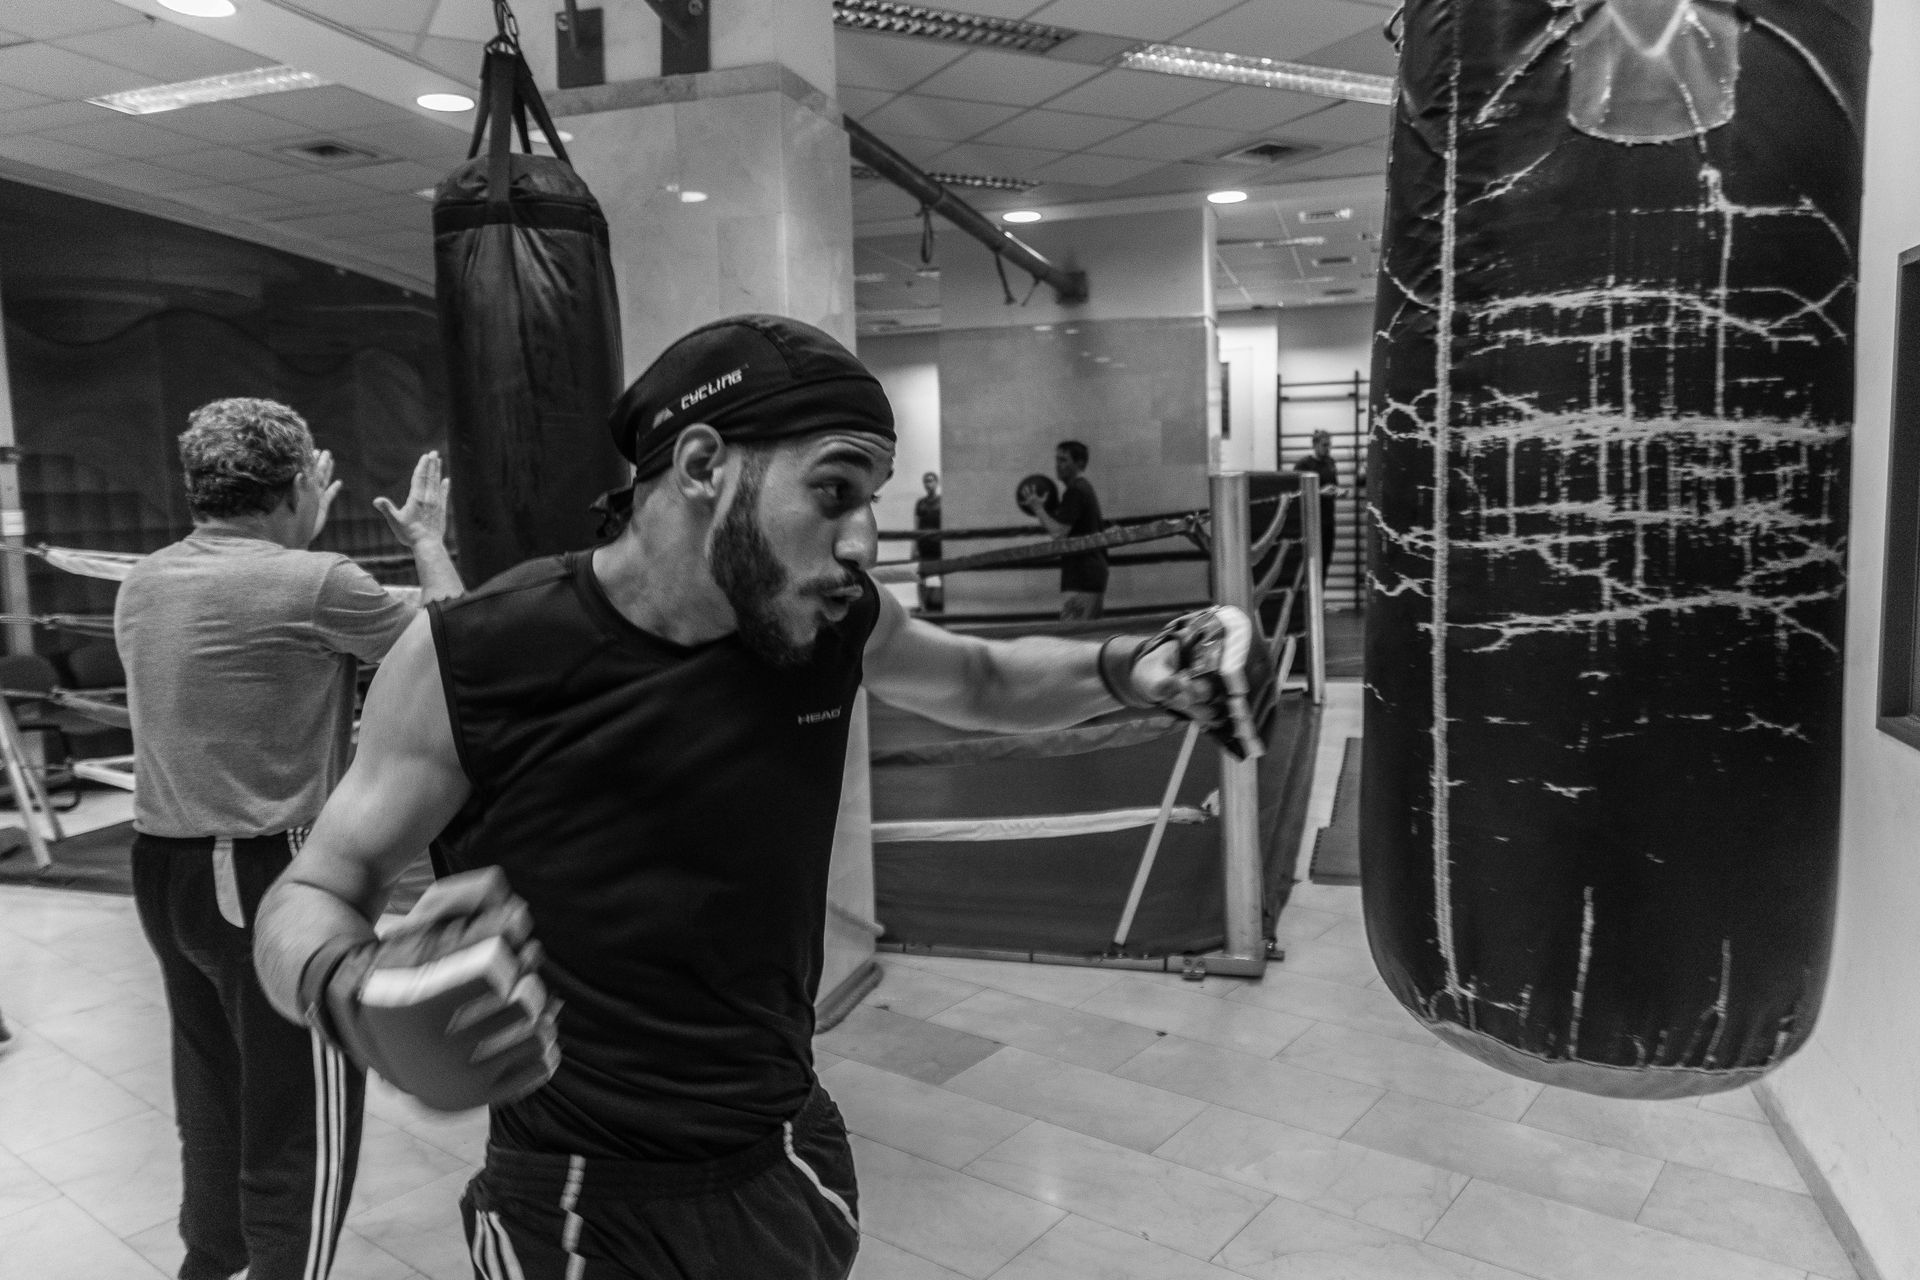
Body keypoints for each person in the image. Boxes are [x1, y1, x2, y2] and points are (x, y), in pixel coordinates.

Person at [250, 315, 1263, 1280]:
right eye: (833, 489)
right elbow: (312, 890)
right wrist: (346, 985)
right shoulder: (476, 652)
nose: (863, 537)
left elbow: (978, 680)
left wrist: (1138, 665)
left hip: (786, 1152)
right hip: (572, 1195)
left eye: (871, 494)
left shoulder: (826, 622)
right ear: (700, 465)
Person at [116, 397, 464, 1280]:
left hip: (165, 869)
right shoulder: (314, 583)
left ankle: (211, 1262)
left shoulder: (145, 578)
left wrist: (300, 541)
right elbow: (466, 646)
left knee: (215, 1093)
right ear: (300, 482)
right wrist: (427, 541)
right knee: (301, 1116)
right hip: (261, 868)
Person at [1019, 439, 1108, 621]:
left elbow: (1059, 533)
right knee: (1085, 636)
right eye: (1057, 460)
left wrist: (1038, 508)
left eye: (1064, 460)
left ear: (1080, 463)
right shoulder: (1081, 489)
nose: (1058, 465)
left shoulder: (1076, 491)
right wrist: (1047, 510)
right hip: (1089, 573)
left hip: (1083, 576)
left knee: (1073, 635)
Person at [1293, 429, 1340, 576]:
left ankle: (1320, 597)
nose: (1328, 449)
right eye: (1325, 445)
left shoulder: (1330, 463)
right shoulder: (1303, 465)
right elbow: (1296, 493)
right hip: (1311, 521)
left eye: (1329, 445)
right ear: (1314, 445)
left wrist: (1338, 492)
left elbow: (1333, 486)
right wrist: (1319, 492)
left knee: (1325, 563)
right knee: (1311, 564)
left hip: (1327, 520)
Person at [912, 470, 943, 613]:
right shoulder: (920, 503)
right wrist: (914, 549)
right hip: (924, 546)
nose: (928, 484)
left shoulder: (943, 502)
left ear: (937, 483)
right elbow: (916, 526)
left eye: (931, 480)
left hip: (939, 546)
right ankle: (923, 606)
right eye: (926, 481)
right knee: (920, 577)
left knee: (944, 575)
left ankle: (945, 604)